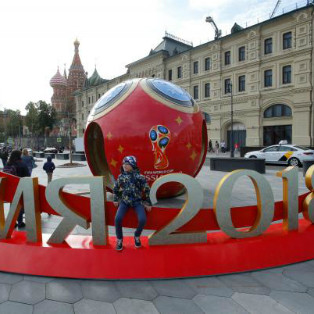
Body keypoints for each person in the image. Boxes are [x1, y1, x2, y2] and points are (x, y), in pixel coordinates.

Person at [113, 155, 152, 251]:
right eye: (123, 164)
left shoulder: (140, 177)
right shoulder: (121, 177)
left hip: (137, 202)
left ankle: (137, 236)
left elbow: (147, 190)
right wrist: (115, 198)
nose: (124, 166)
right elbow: (116, 188)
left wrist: (147, 202)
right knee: (117, 219)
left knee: (142, 219)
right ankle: (119, 239)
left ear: (133, 165)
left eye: (127, 164)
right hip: (124, 201)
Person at [4, 150, 30, 229]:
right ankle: (20, 222)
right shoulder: (22, 164)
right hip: (20, 187)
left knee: (12, 205)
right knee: (20, 205)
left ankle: (12, 222)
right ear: (19, 155)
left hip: (11, 188)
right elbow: (27, 175)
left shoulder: (8, 163)